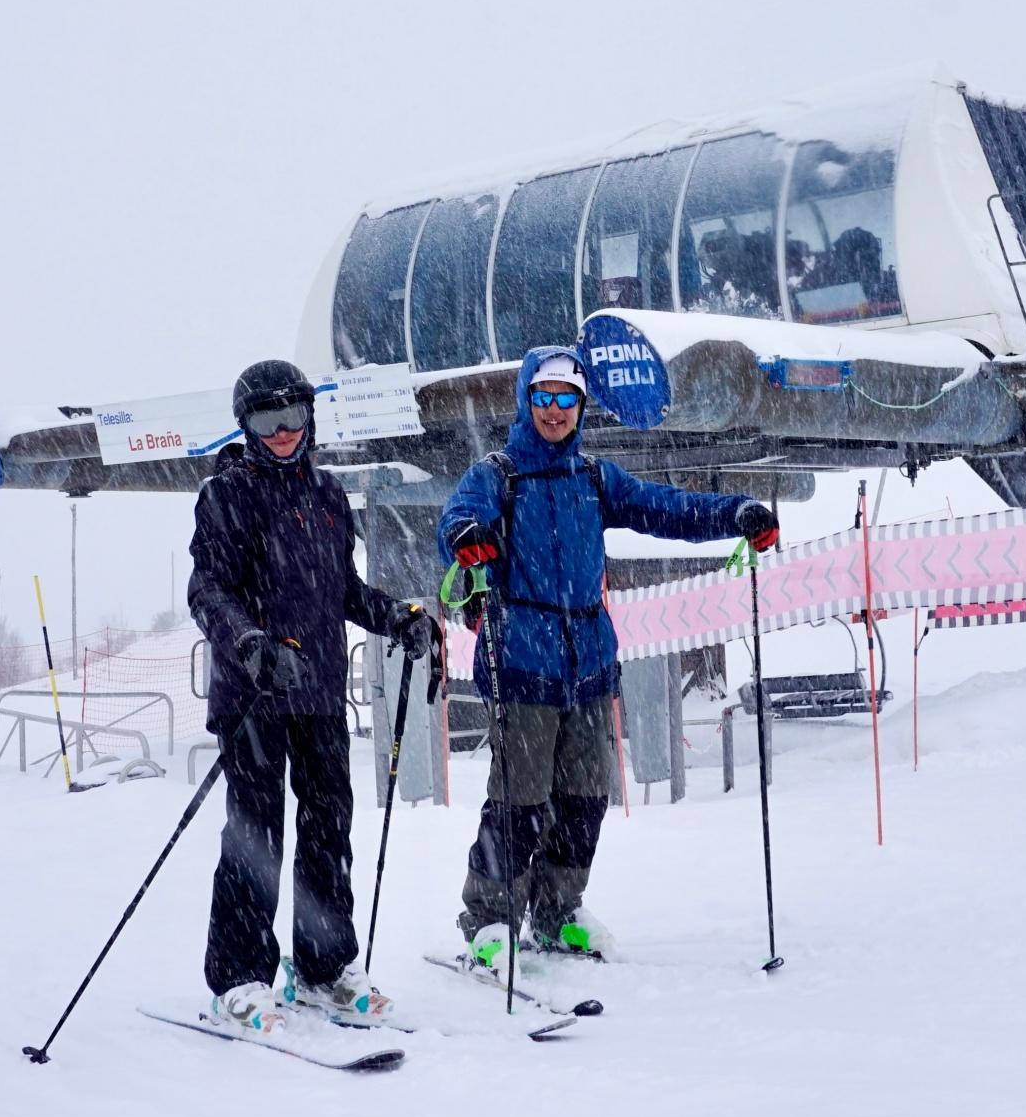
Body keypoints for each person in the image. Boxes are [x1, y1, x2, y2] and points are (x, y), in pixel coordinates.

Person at [437, 346, 779, 971]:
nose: (555, 411)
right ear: (525, 399)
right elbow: (458, 518)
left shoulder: (595, 478)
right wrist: (468, 535)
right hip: (523, 660)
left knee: (586, 796)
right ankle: (489, 920)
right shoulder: (498, 473)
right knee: (519, 801)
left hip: (590, 663)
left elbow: (664, 508)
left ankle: (557, 909)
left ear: (582, 406)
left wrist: (733, 513)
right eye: (543, 397)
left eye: (568, 399)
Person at [187, 359, 438, 1035]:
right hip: (256, 694)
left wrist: (397, 616)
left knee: (328, 831)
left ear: (310, 418)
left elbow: (343, 592)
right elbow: (208, 591)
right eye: (267, 420)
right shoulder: (227, 495)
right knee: (256, 835)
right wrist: (251, 643)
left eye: (293, 416)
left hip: (320, 692)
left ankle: (324, 967)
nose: (282, 432)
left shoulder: (329, 497)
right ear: (246, 425)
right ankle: (240, 976)